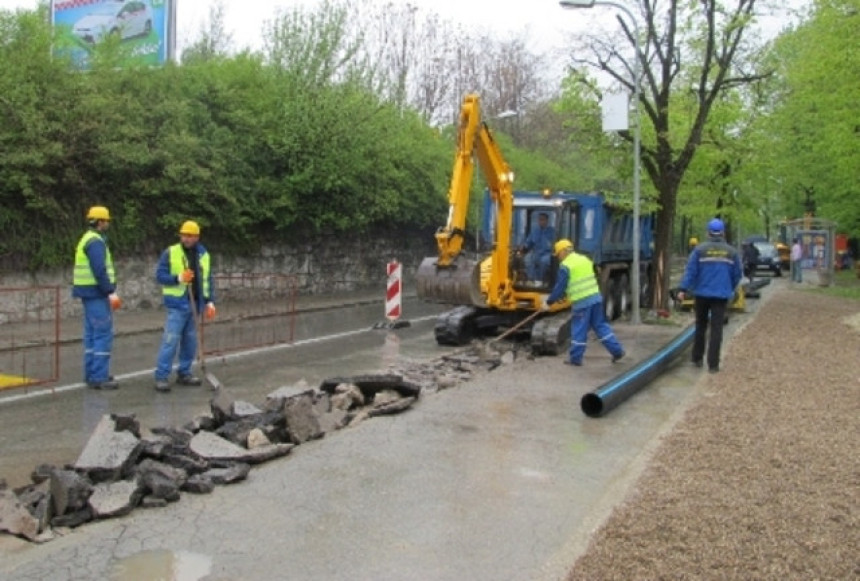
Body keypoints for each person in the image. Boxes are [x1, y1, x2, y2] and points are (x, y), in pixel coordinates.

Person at [153, 220, 216, 392]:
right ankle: (161, 376)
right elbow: (160, 275)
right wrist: (178, 278)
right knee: (170, 340)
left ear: (197, 237)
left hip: (195, 304)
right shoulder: (171, 252)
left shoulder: (204, 254)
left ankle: (185, 372)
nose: (185, 238)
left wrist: (210, 301)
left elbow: (208, 279)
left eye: (189, 236)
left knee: (190, 341)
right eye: (183, 235)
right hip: (177, 304)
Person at [541, 239, 624, 366]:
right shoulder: (585, 260)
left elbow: (560, 286)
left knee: (579, 330)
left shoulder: (566, 266)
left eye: (558, 254)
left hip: (582, 303)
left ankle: (575, 359)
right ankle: (617, 351)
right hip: (595, 298)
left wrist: (550, 300)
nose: (558, 258)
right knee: (601, 326)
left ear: (563, 252)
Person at [677, 218, 742, 374]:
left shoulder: (699, 250)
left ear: (708, 233)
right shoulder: (731, 252)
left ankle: (697, 358)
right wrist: (729, 288)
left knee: (700, 325)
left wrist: (683, 289)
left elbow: (691, 271)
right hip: (720, 295)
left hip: (702, 294)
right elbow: (737, 274)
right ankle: (713, 364)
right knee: (717, 329)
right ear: (723, 233)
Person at [72, 206, 121, 390]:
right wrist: (110, 291)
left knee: (92, 335)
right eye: (106, 221)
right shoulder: (95, 242)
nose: (108, 223)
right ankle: (99, 377)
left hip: (88, 293)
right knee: (102, 334)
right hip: (97, 293)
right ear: (100, 222)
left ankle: (91, 374)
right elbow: (99, 269)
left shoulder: (87, 238)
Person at [520, 212, 555, 284]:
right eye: (539, 220)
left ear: (547, 221)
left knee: (543, 261)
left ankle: (539, 280)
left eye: (543, 220)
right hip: (536, 252)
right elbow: (529, 242)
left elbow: (555, 245)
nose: (541, 222)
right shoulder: (535, 231)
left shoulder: (552, 232)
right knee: (528, 259)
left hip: (547, 253)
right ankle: (531, 279)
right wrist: (523, 248)